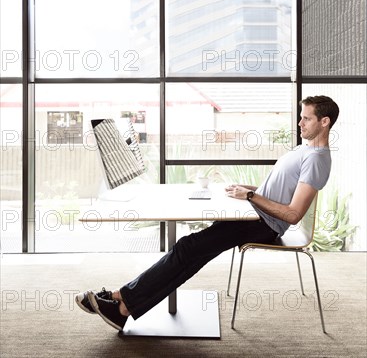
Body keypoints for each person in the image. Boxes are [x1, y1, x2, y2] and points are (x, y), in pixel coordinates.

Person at [75, 95, 339, 332]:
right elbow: (282, 191)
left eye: (306, 118)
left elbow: (293, 214)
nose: (300, 123)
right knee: (192, 251)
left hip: (264, 224)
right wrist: (248, 189)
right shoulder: (305, 150)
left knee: (187, 248)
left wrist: (250, 197)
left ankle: (121, 304)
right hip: (255, 213)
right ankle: (122, 301)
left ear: (324, 121)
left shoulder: (316, 158)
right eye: (301, 117)